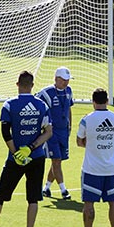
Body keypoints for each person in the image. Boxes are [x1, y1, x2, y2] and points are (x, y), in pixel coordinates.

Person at [0, 71, 53, 227]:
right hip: (37, 157)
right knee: (33, 198)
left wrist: (17, 153)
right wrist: (31, 148)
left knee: (0, 196)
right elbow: (48, 132)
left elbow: (5, 132)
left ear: (17, 84)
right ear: (32, 85)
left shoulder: (9, 105)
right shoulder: (41, 105)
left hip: (14, 160)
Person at [73, 89, 114, 227]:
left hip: (91, 168)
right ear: (107, 101)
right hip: (111, 168)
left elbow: (79, 141)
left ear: (93, 102)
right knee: (113, 202)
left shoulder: (86, 120)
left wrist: (92, 143)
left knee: (89, 204)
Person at [37, 66, 74, 200]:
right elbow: (37, 106)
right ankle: (64, 190)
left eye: (68, 80)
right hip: (52, 132)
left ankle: (46, 188)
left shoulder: (69, 91)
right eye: (64, 80)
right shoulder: (46, 93)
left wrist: (70, 126)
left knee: (58, 161)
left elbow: (69, 109)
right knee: (56, 160)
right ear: (56, 79)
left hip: (64, 131)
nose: (66, 83)